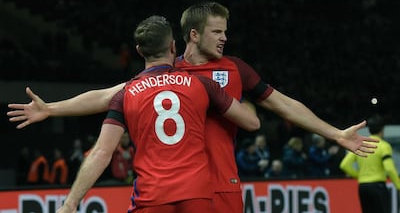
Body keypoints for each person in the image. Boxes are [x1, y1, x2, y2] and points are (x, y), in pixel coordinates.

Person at [8, 2, 378, 213]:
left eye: (226, 31)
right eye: (218, 31)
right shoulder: (174, 72)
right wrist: (52, 109)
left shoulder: (235, 68)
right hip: (185, 188)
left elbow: (283, 105)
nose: (225, 38)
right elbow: (107, 94)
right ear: (194, 35)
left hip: (224, 185)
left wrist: (334, 133)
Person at [54, 15, 260, 213]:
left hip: (152, 196)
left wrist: (71, 204)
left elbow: (101, 152)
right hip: (196, 194)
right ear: (172, 46)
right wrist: (247, 103)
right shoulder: (201, 85)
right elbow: (251, 123)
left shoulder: (127, 93)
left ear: (139, 51)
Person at [340, 115, 400, 213]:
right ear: (382, 129)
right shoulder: (383, 146)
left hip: (363, 187)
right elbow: (389, 168)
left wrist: (359, 176)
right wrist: (398, 185)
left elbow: (344, 165)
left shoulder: (361, 144)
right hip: (378, 187)